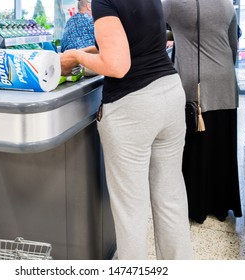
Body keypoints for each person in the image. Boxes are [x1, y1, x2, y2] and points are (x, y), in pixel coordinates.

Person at [60, 0, 193, 260]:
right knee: (170, 198)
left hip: (134, 107)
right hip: (169, 92)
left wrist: (75, 56)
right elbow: (130, 42)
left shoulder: (103, 1)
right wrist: (83, 51)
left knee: (130, 209)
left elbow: (117, 65)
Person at [162, 0, 242, 223]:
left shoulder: (173, 4)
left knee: (196, 148)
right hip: (224, 80)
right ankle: (220, 205)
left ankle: (196, 205)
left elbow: (151, 30)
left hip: (193, 84)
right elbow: (233, 45)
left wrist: (178, 35)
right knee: (222, 145)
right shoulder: (227, 5)